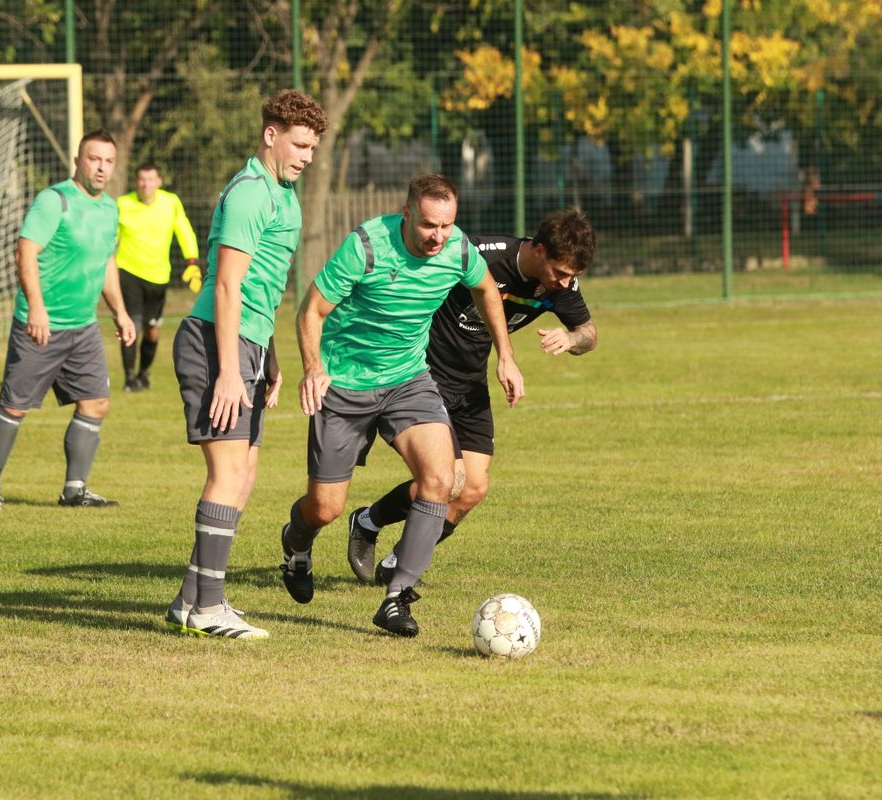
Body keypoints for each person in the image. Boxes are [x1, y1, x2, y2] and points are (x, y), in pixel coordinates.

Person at [279, 173, 525, 638]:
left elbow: (488, 290)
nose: (438, 236)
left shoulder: (458, 249)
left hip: (408, 380)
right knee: (325, 508)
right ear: (408, 213)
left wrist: (506, 357)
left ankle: (397, 598)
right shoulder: (367, 246)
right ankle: (296, 542)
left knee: (443, 479)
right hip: (345, 383)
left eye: (447, 226)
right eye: (430, 225)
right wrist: (313, 367)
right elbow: (310, 309)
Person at [347, 208, 597, 585]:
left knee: (473, 489)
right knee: (450, 479)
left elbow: (589, 333)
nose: (564, 284)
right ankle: (368, 522)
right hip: (423, 376)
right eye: (560, 273)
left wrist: (572, 338)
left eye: (572, 277)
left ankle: (397, 561)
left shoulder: (559, 288)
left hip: (470, 383)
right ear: (539, 249)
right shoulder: (479, 255)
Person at [165, 89, 328, 640]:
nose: (306, 156)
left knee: (246, 474)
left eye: (312, 147)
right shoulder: (250, 193)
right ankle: (209, 608)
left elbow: (264, 290)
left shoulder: (286, 195)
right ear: (271, 134)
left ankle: (191, 599)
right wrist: (232, 369)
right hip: (216, 343)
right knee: (226, 473)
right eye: (300, 144)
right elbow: (230, 285)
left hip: (247, 346)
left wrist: (271, 357)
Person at [0, 129, 136, 511]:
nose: (101, 168)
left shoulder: (110, 208)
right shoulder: (54, 201)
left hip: (83, 327)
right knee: (15, 406)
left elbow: (105, 262)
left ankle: (74, 489)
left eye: (108, 161)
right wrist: (38, 307)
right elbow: (25, 253)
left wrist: (120, 312)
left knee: (96, 403)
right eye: (94, 159)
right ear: (78, 160)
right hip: (41, 326)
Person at [115, 163, 201, 392]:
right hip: (128, 273)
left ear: (159, 182)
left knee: (152, 331)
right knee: (130, 325)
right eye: (142, 179)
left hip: (158, 278)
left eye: (150, 179)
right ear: (136, 182)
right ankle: (129, 378)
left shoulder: (170, 202)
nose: (146, 184)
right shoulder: (123, 204)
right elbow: (110, 237)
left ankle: (144, 372)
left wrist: (192, 261)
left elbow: (184, 230)